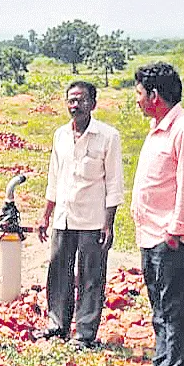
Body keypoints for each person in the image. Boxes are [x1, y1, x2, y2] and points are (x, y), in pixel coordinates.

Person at [130, 61, 184, 366]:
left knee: (175, 306)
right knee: (159, 304)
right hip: (151, 234)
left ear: (155, 95)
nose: (136, 100)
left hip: (172, 237)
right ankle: (162, 362)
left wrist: (176, 230)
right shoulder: (160, 126)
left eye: (139, 93)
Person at [34, 81, 124, 349]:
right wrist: (45, 215)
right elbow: (54, 178)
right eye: (71, 100)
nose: (75, 105)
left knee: (90, 276)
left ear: (93, 105)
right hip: (63, 217)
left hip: (93, 219)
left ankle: (84, 333)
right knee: (58, 270)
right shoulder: (60, 135)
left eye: (81, 100)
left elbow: (114, 184)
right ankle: (57, 325)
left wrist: (109, 223)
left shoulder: (108, 136)